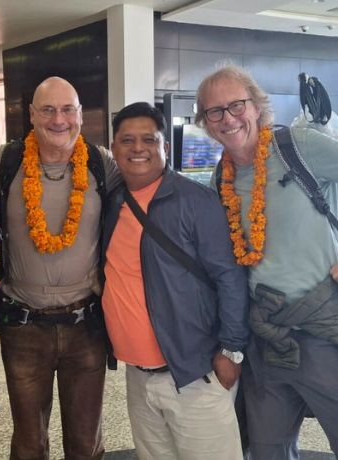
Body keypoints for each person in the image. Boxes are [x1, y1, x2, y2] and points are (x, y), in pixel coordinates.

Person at [197, 66, 338, 459]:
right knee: (267, 451)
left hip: (325, 333)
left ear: (257, 107)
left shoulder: (298, 146)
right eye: (215, 111)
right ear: (206, 123)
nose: (228, 118)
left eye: (236, 105)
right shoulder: (221, 178)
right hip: (266, 340)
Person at [103, 102, 249, 459]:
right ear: (114, 148)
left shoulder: (195, 201)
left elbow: (230, 277)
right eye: (127, 140)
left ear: (164, 146)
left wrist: (231, 351)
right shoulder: (113, 201)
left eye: (149, 139)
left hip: (196, 374)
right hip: (138, 377)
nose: (138, 148)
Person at [0, 76, 118, 460]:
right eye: (47, 110)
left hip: (86, 326)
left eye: (67, 109)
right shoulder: (3, 162)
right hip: (23, 327)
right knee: (29, 445)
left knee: (86, 444)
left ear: (80, 114)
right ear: (31, 115)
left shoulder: (101, 163)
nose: (58, 120)